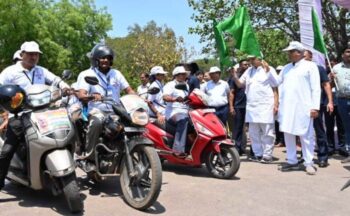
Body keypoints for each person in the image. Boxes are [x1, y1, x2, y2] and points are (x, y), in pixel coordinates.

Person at [0, 41, 70, 189]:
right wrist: (5, 112)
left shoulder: (41, 71)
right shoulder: (10, 72)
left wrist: (65, 87)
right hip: (19, 114)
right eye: (30, 54)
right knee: (7, 150)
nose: (33, 57)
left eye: (36, 54)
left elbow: (56, 80)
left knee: (63, 132)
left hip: (43, 113)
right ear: (22, 55)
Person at [76, 44, 135, 170]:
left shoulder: (116, 74)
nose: (106, 60)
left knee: (133, 123)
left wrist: (139, 99)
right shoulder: (87, 74)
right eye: (102, 58)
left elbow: (129, 90)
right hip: (97, 110)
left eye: (108, 58)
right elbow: (81, 94)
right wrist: (92, 96)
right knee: (96, 123)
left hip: (116, 110)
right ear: (95, 59)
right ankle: (89, 158)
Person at [267, 41, 321, 175]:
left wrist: (315, 107)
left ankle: (308, 162)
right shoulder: (286, 68)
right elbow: (276, 82)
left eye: (291, 52)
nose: (289, 54)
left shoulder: (311, 66)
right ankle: (292, 161)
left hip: (304, 107)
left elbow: (316, 88)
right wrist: (268, 71)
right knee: (288, 133)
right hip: (287, 107)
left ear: (299, 52)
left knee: (306, 135)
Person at [231, 56, 278, 163]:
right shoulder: (249, 71)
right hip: (252, 107)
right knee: (253, 132)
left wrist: (276, 104)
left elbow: (276, 84)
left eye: (253, 59)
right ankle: (258, 154)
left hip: (266, 105)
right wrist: (234, 75)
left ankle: (267, 155)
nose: (250, 61)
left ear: (260, 59)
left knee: (267, 132)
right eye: (250, 59)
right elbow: (240, 84)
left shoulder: (268, 69)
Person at [304, 50, 334, 168]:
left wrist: (330, 101)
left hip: (316, 105)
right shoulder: (297, 69)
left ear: (311, 57)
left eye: (305, 56)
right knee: (304, 132)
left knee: (319, 130)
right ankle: (306, 156)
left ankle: (322, 156)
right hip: (302, 105)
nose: (303, 58)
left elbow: (326, 85)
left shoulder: (318, 68)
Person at [163, 66, 190, 157]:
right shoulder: (170, 85)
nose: (184, 76)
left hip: (186, 110)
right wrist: (175, 99)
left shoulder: (186, 85)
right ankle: (177, 149)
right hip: (173, 112)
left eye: (184, 74)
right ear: (176, 75)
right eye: (182, 74)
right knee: (183, 120)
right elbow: (165, 97)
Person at [331, 43, 350, 163]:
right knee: (347, 127)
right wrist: (330, 78)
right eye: (348, 52)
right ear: (343, 54)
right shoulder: (336, 68)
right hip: (342, 100)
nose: (349, 54)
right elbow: (330, 85)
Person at [324, 57, 345, 156]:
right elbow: (326, 86)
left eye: (334, 62)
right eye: (329, 62)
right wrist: (331, 79)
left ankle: (343, 147)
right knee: (329, 126)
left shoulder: (342, 72)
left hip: (340, 102)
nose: (331, 64)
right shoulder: (325, 74)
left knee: (342, 126)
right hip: (328, 103)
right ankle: (330, 147)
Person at [228, 59, 248, 155]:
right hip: (238, 106)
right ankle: (236, 149)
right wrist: (231, 107)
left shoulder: (251, 76)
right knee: (238, 128)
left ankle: (249, 149)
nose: (247, 66)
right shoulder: (235, 78)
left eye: (248, 64)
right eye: (244, 64)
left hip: (250, 106)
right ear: (240, 66)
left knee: (251, 129)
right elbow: (231, 93)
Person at [274, 65, 285, 147]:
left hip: (283, 104)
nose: (279, 72)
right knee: (276, 123)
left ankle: (282, 140)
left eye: (280, 70)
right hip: (276, 104)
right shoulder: (276, 81)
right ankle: (278, 139)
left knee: (282, 123)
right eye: (277, 70)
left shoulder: (285, 81)